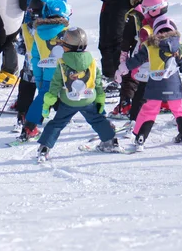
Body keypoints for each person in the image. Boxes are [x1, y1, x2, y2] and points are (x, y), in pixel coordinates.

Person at [37, 27, 121, 161]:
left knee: (57, 123)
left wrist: (48, 102)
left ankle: (44, 148)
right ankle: (111, 141)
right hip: (88, 99)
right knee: (97, 119)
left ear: (67, 46)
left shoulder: (62, 62)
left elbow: (55, 84)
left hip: (68, 101)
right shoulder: (92, 61)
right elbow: (97, 81)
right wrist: (100, 99)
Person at [116, 15, 182, 151]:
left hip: (155, 85)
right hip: (173, 85)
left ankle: (140, 137)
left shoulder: (149, 46)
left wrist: (122, 70)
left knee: (148, 111)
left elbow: (136, 60)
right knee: (179, 109)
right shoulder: (178, 47)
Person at [17, 0, 71, 142]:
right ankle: (104, 126)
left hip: (48, 73)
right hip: (67, 73)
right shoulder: (68, 32)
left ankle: (28, 127)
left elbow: (35, 58)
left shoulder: (38, 33)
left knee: (42, 97)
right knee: (83, 100)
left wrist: (39, 80)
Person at [110, 0, 154, 119]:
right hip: (156, 51)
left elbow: (127, 38)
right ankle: (163, 102)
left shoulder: (134, 15)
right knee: (156, 75)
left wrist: (123, 56)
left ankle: (125, 104)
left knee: (130, 78)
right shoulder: (157, 10)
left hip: (138, 51)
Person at [12, 0, 44, 132]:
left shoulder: (26, 28)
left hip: (29, 68)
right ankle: (47, 113)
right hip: (46, 68)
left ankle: (22, 117)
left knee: (25, 93)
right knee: (46, 92)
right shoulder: (49, 28)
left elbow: (19, 47)